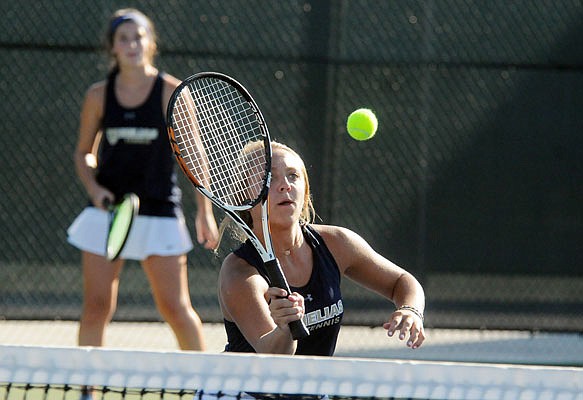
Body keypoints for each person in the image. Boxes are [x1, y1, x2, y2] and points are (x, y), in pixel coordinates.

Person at [67, 8, 219, 352]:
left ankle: (205, 386)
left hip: (159, 209)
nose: (132, 43)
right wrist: (94, 189)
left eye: (139, 36)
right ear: (113, 47)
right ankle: (87, 390)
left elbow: (194, 155)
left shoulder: (170, 91)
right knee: (96, 306)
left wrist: (204, 211)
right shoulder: (97, 96)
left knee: (175, 308)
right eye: (124, 38)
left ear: (151, 43)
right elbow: (83, 154)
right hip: (109, 214)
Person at [217, 141, 426, 356]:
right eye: (269, 178)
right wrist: (285, 329)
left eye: (293, 175)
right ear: (243, 197)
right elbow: (275, 358)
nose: (285, 185)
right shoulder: (239, 273)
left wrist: (410, 310)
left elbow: (402, 281)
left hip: (313, 388)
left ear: (305, 191)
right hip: (246, 388)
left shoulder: (336, 243)